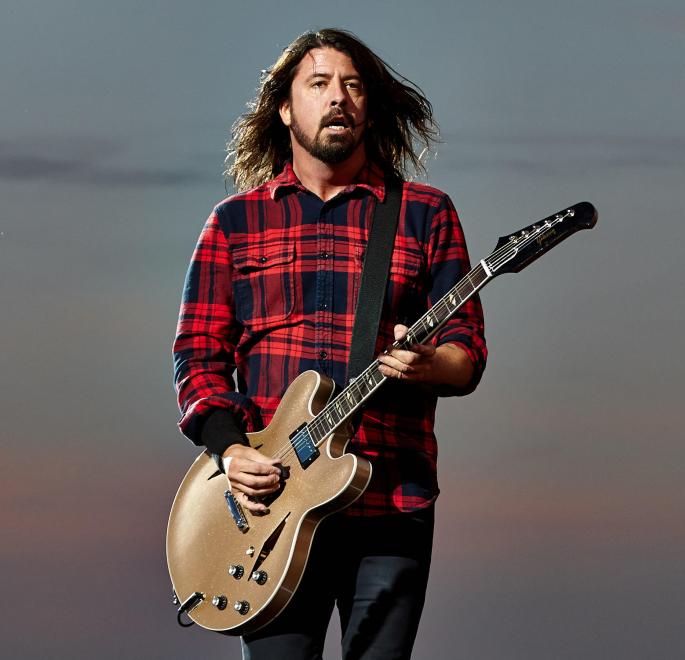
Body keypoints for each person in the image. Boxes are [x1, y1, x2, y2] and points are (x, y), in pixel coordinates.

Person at [173, 28, 486, 660]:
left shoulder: (425, 214)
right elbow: (198, 356)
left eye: (351, 85)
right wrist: (231, 453)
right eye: (318, 84)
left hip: (391, 498)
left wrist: (427, 366)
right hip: (271, 510)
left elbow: (467, 355)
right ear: (286, 108)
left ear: (370, 106)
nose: (337, 97)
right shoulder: (235, 222)